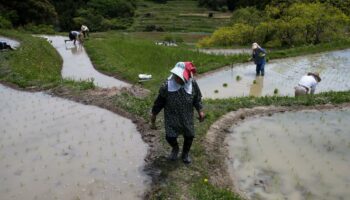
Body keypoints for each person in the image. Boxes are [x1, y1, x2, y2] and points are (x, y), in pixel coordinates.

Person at [151, 62, 205, 164]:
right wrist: (154, 114)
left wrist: (200, 111)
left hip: (187, 117)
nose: (178, 79)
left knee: (189, 136)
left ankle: (185, 153)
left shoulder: (192, 84)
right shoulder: (167, 85)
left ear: (188, 76)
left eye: (181, 77)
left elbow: (197, 99)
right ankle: (175, 148)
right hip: (172, 117)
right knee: (170, 137)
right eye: (177, 76)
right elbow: (159, 102)